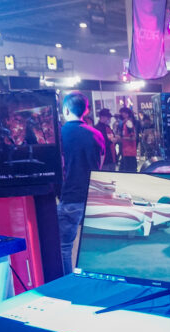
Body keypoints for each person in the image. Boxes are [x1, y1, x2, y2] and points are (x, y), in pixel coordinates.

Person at [58, 91, 105, 275]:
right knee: (93, 248)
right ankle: (94, 280)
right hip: (94, 197)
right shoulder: (96, 134)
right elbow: (100, 165)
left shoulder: (60, 134)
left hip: (70, 196)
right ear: (86, 111)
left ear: (66, 110)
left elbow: (60, 166)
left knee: (64, 247)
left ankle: (69, 281)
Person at [117, 107, 138, 172]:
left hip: (130, 152)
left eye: (123, 113)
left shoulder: (129, 123)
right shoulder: (124, 123)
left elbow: (133, 137)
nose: (121, 114)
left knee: (130, 170)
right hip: (126, 151)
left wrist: (122, 138)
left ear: (127, 114)